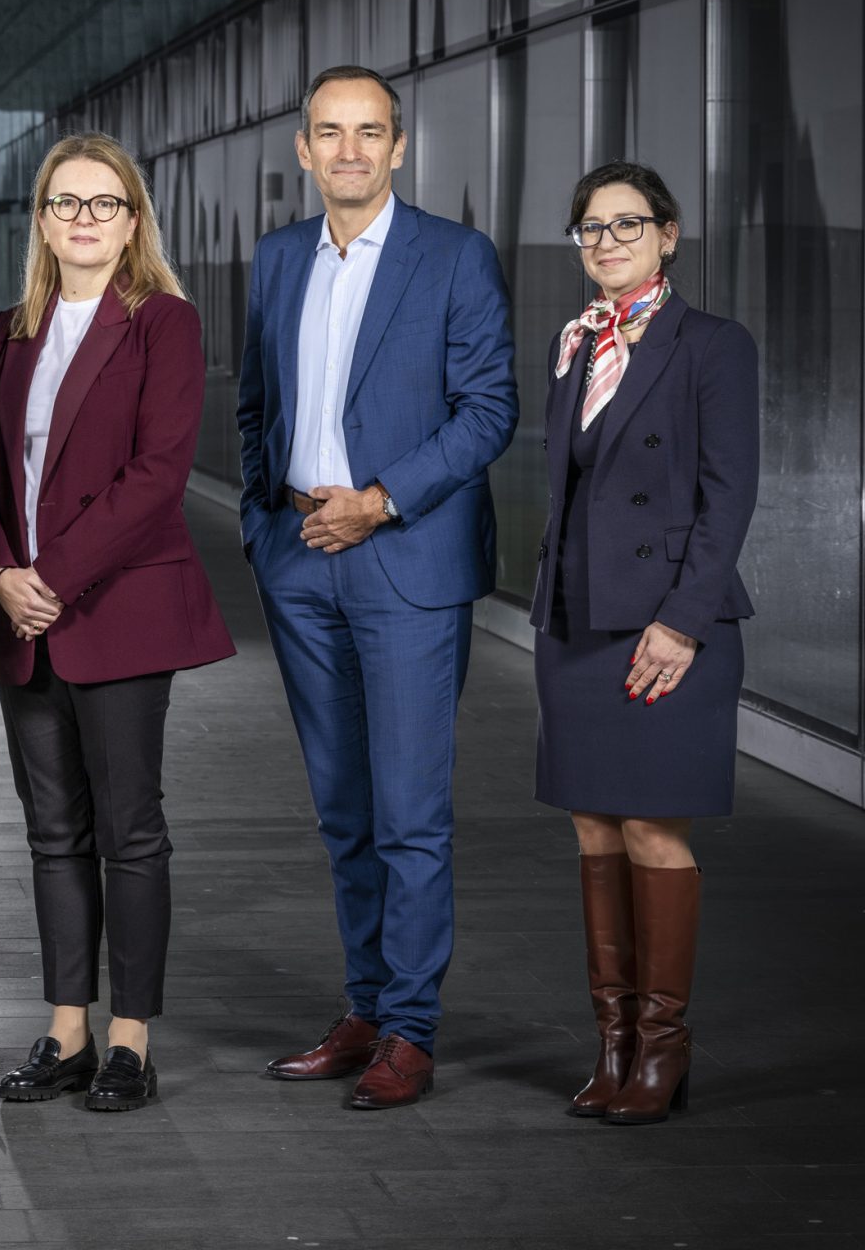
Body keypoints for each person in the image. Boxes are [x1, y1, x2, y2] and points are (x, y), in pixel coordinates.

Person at [238, 66, 518, 1109]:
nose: (348, 149)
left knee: (408, 812)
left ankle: (409, 1027)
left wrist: (381, 500)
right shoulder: (273, 260)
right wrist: (265, 529)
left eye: (368, 132)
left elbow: (488, 411)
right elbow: (257, 406)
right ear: (302, 151)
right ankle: (361, 1008)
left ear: (397, 148)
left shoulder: (453, 258)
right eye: (328, 132)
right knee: (342, 811)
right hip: (300, 563)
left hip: (404, 562)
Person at [0, 132, 235, 1114]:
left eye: (102, 203)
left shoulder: (163, 323)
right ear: (40, 221)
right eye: (64, 203)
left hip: (112, 612)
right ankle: (66, 1028)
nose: (82, 218)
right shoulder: (7, 332)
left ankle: (129, 1040)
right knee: (51, 833)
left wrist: (50, 579)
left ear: (130, 221)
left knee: (130, 832)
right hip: (21, 619)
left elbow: (156, 478)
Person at [532, 161, 756, 1126]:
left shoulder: (713, 345)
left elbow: (728, 495)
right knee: (592, 825)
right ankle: (613, 1043)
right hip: (579, 618)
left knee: (654, 827)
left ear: (669, 235)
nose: (608, 242)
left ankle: (661, 1046)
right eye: (591, 228)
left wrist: (682, 622)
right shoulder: (574, 343)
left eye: (629, 225)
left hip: (668, 620)